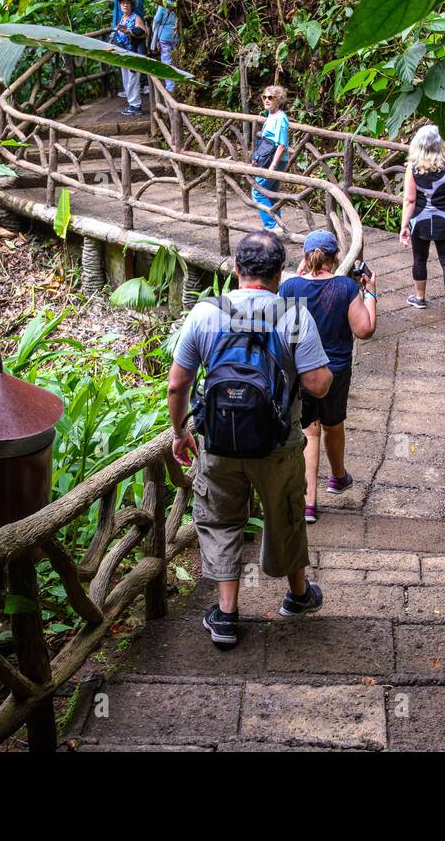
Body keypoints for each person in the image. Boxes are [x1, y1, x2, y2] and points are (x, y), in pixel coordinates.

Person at [168, 232, 334, 648]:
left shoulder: (205, 313)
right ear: (279, 273)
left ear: (237, 269)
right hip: (279, 443)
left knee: (221, 517)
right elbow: (317, 386)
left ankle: (225, 616)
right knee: (286, 513)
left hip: (219, 442)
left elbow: (177, 385)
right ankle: (297, 596)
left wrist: (180, 432)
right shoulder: (294, 315)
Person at [278, 230, 377, 523]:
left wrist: (298, 278)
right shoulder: (346, 288)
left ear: (306, 257)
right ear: (335, 258)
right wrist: (370, 292)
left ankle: (309, 504)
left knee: (309, 430)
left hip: (300, 369)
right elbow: (365, 330)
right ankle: (337, 477)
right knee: (334, 424)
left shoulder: (289, 287)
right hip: (335, 370)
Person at [400, 124, 445, 324]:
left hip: (420, 220)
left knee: (420, 258)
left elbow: (410, 200)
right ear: (440, 144)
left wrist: (404, 226)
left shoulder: (414, 169)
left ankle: (419, 298)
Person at [250, 85, 291, 234]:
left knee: (258, 191)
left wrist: (272, 166)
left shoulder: (281, 118)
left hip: (276, 161)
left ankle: (271, 226)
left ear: (278, 100)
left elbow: (281, 145)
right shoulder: (271, 116)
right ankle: (277, 226)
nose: (266, 100)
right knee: (271, 193)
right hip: (268, 159)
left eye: (270, 97)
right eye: (264, 97)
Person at [109, 0, 147, 116]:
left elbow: (143, 32)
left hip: (132, 52)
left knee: (133, 80)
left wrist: (129, 32)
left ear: (132, 6)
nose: (125, 5)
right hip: (122, 53)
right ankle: (131, 104)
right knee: (126, 80)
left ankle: (136, 106)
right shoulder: (122, 18)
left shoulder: (136, 18)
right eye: (123, 3)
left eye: (127, 3)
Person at [150, 0, 180, 93]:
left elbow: (156, 20)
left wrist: (155, 32)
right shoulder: (177, 4)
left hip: (164, 37)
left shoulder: (163, 4)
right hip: (176, 36)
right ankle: (178, 83)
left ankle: (170, 86)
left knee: (167, 60)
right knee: (175, 59)